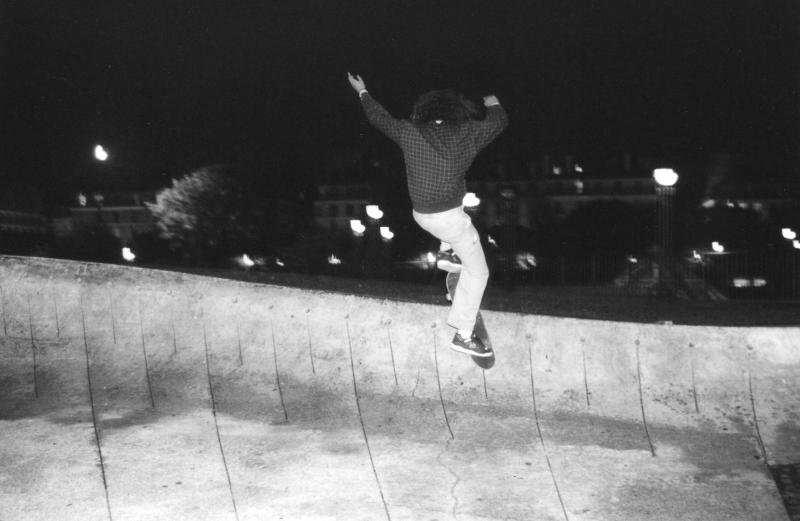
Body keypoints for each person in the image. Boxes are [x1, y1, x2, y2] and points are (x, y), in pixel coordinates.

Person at [347, 72, 509, 358]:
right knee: (479, 271)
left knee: (456, 217)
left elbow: (379, 118)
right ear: (458, 112)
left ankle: (447, 254)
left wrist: (362, 91)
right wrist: (493, 103)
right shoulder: (469, 132)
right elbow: (500, 122)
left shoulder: (410, 131)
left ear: (423, 112)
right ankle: (464, 335)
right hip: (450, 220)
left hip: (422, 215)